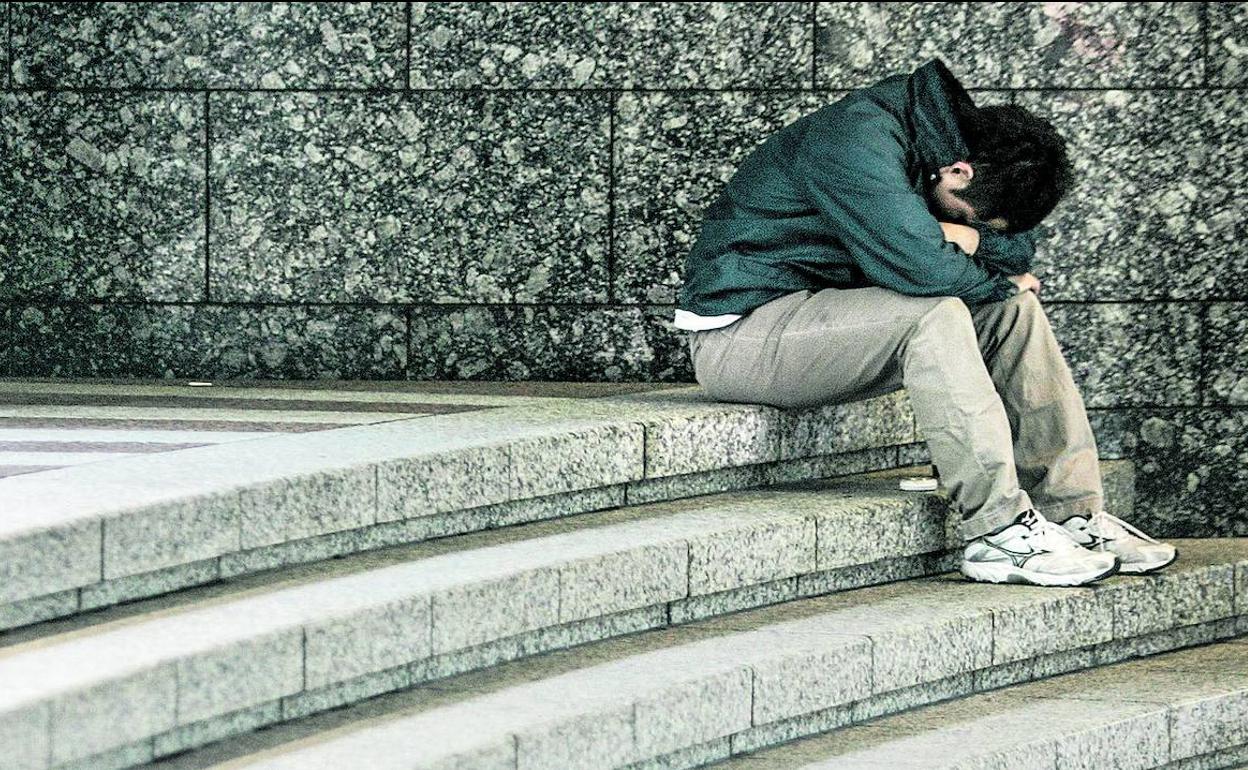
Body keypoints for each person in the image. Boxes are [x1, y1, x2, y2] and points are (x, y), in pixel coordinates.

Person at [676, 57, 1176, 587]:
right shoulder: (855, 143)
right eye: (960, 216)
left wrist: (971, 238)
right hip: (743, 336)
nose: (954, 225)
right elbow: (922, 268)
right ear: (960, 172)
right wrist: (970, 260)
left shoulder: (949, 146)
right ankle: (997, 532)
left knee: (1013, 309)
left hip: (829, 318)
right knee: (936, 313)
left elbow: (1017, 250)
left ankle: (1070, 513)